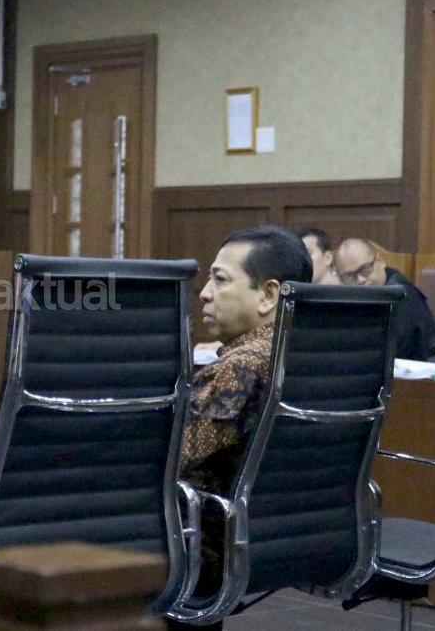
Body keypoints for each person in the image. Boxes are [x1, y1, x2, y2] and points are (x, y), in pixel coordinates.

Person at [170, 226, 312, 631]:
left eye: (220, 279)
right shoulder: (311, 354)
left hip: (205, 545)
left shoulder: (241, 367)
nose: (204, 293)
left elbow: (168, 462)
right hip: (293, 533)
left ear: (268, 295)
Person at [333, 238, 435, 361]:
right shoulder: (347, 298)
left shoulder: (403, 297)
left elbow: (389, 354)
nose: (360, 280)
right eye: (349, 276)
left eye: (365, 269)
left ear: (380, 261)